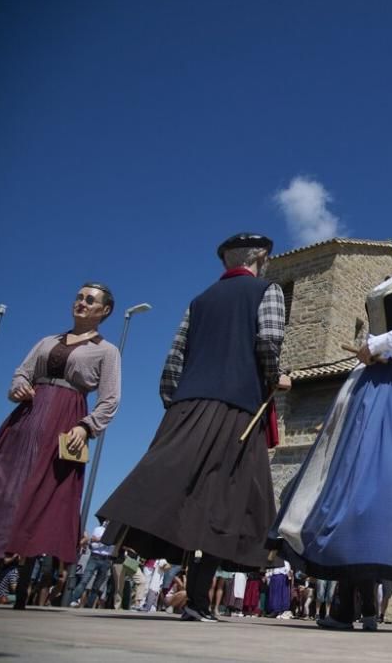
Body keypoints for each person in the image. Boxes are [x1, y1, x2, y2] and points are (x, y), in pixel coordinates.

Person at [268, 192, 392, 632]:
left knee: (377, 483)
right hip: (368, 382)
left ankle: (354, 598)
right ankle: (356, 599)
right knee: (350, 480)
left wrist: (377, 344)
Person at [98, 233, 290, 624]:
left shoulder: (199, 301)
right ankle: (198, 600)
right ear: (261, 257)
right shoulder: (267, 290)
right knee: (226, 499)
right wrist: (274, 380)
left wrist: (176, 403)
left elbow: (174, 359)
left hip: (187, 406)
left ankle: (196, 599)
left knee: (184, 492)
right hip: (236, 407)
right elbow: (269, 342)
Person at [0, 283, 121, 608]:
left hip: (66, 424)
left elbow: (110, 400)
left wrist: (86, 428)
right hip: (26, 421)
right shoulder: (47, 341)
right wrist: (18, 388)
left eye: (90, 300)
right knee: (0, 493)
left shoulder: (106, 351)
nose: (81, 303)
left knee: (42, 499)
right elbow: (21, 373)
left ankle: (25, 587)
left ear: (105, 311)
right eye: (79, 297)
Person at [69, 520, 115, 608]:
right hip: (95, 556)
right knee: (85, 580)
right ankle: (73, 599)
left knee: (97, 585)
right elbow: (93, 541)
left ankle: (89, 604)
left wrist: (102, 541)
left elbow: (113, 545)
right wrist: (104, 540)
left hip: (107, 559)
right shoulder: (98, 529)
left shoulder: (115, 533)